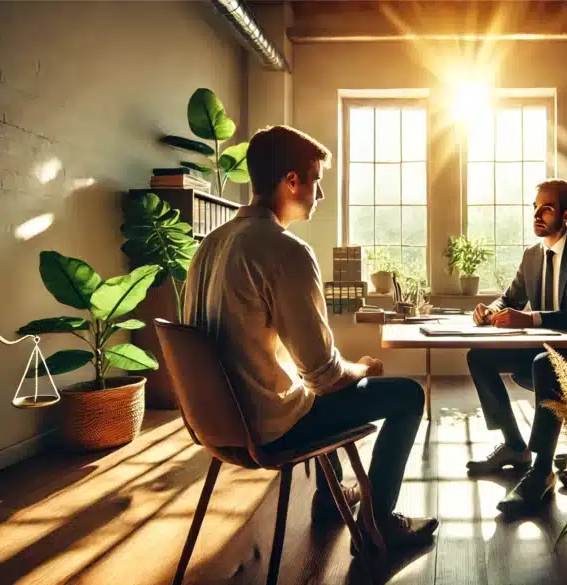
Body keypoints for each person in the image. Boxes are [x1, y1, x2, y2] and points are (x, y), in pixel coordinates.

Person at [183, 125, 438, 555]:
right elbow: (325, 376)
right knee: (408, 395)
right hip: (267, 427)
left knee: (306, 391)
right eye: (316, 181)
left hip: (215, 424)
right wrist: (365, 368)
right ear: (292, 181)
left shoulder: (209, 246)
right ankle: (377, 529)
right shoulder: (284, 250)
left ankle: (329, 498)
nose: (320, 195)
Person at [466, 178, 567, 515]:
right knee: (479, 357)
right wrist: (490, 309)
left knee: (544, 365)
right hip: (543, 349)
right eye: (534, 208)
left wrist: (530, 319)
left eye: (546, 209)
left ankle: (542, 470)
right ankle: (515, 446)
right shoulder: (532, 255)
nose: (537, 215)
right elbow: (511, 297)